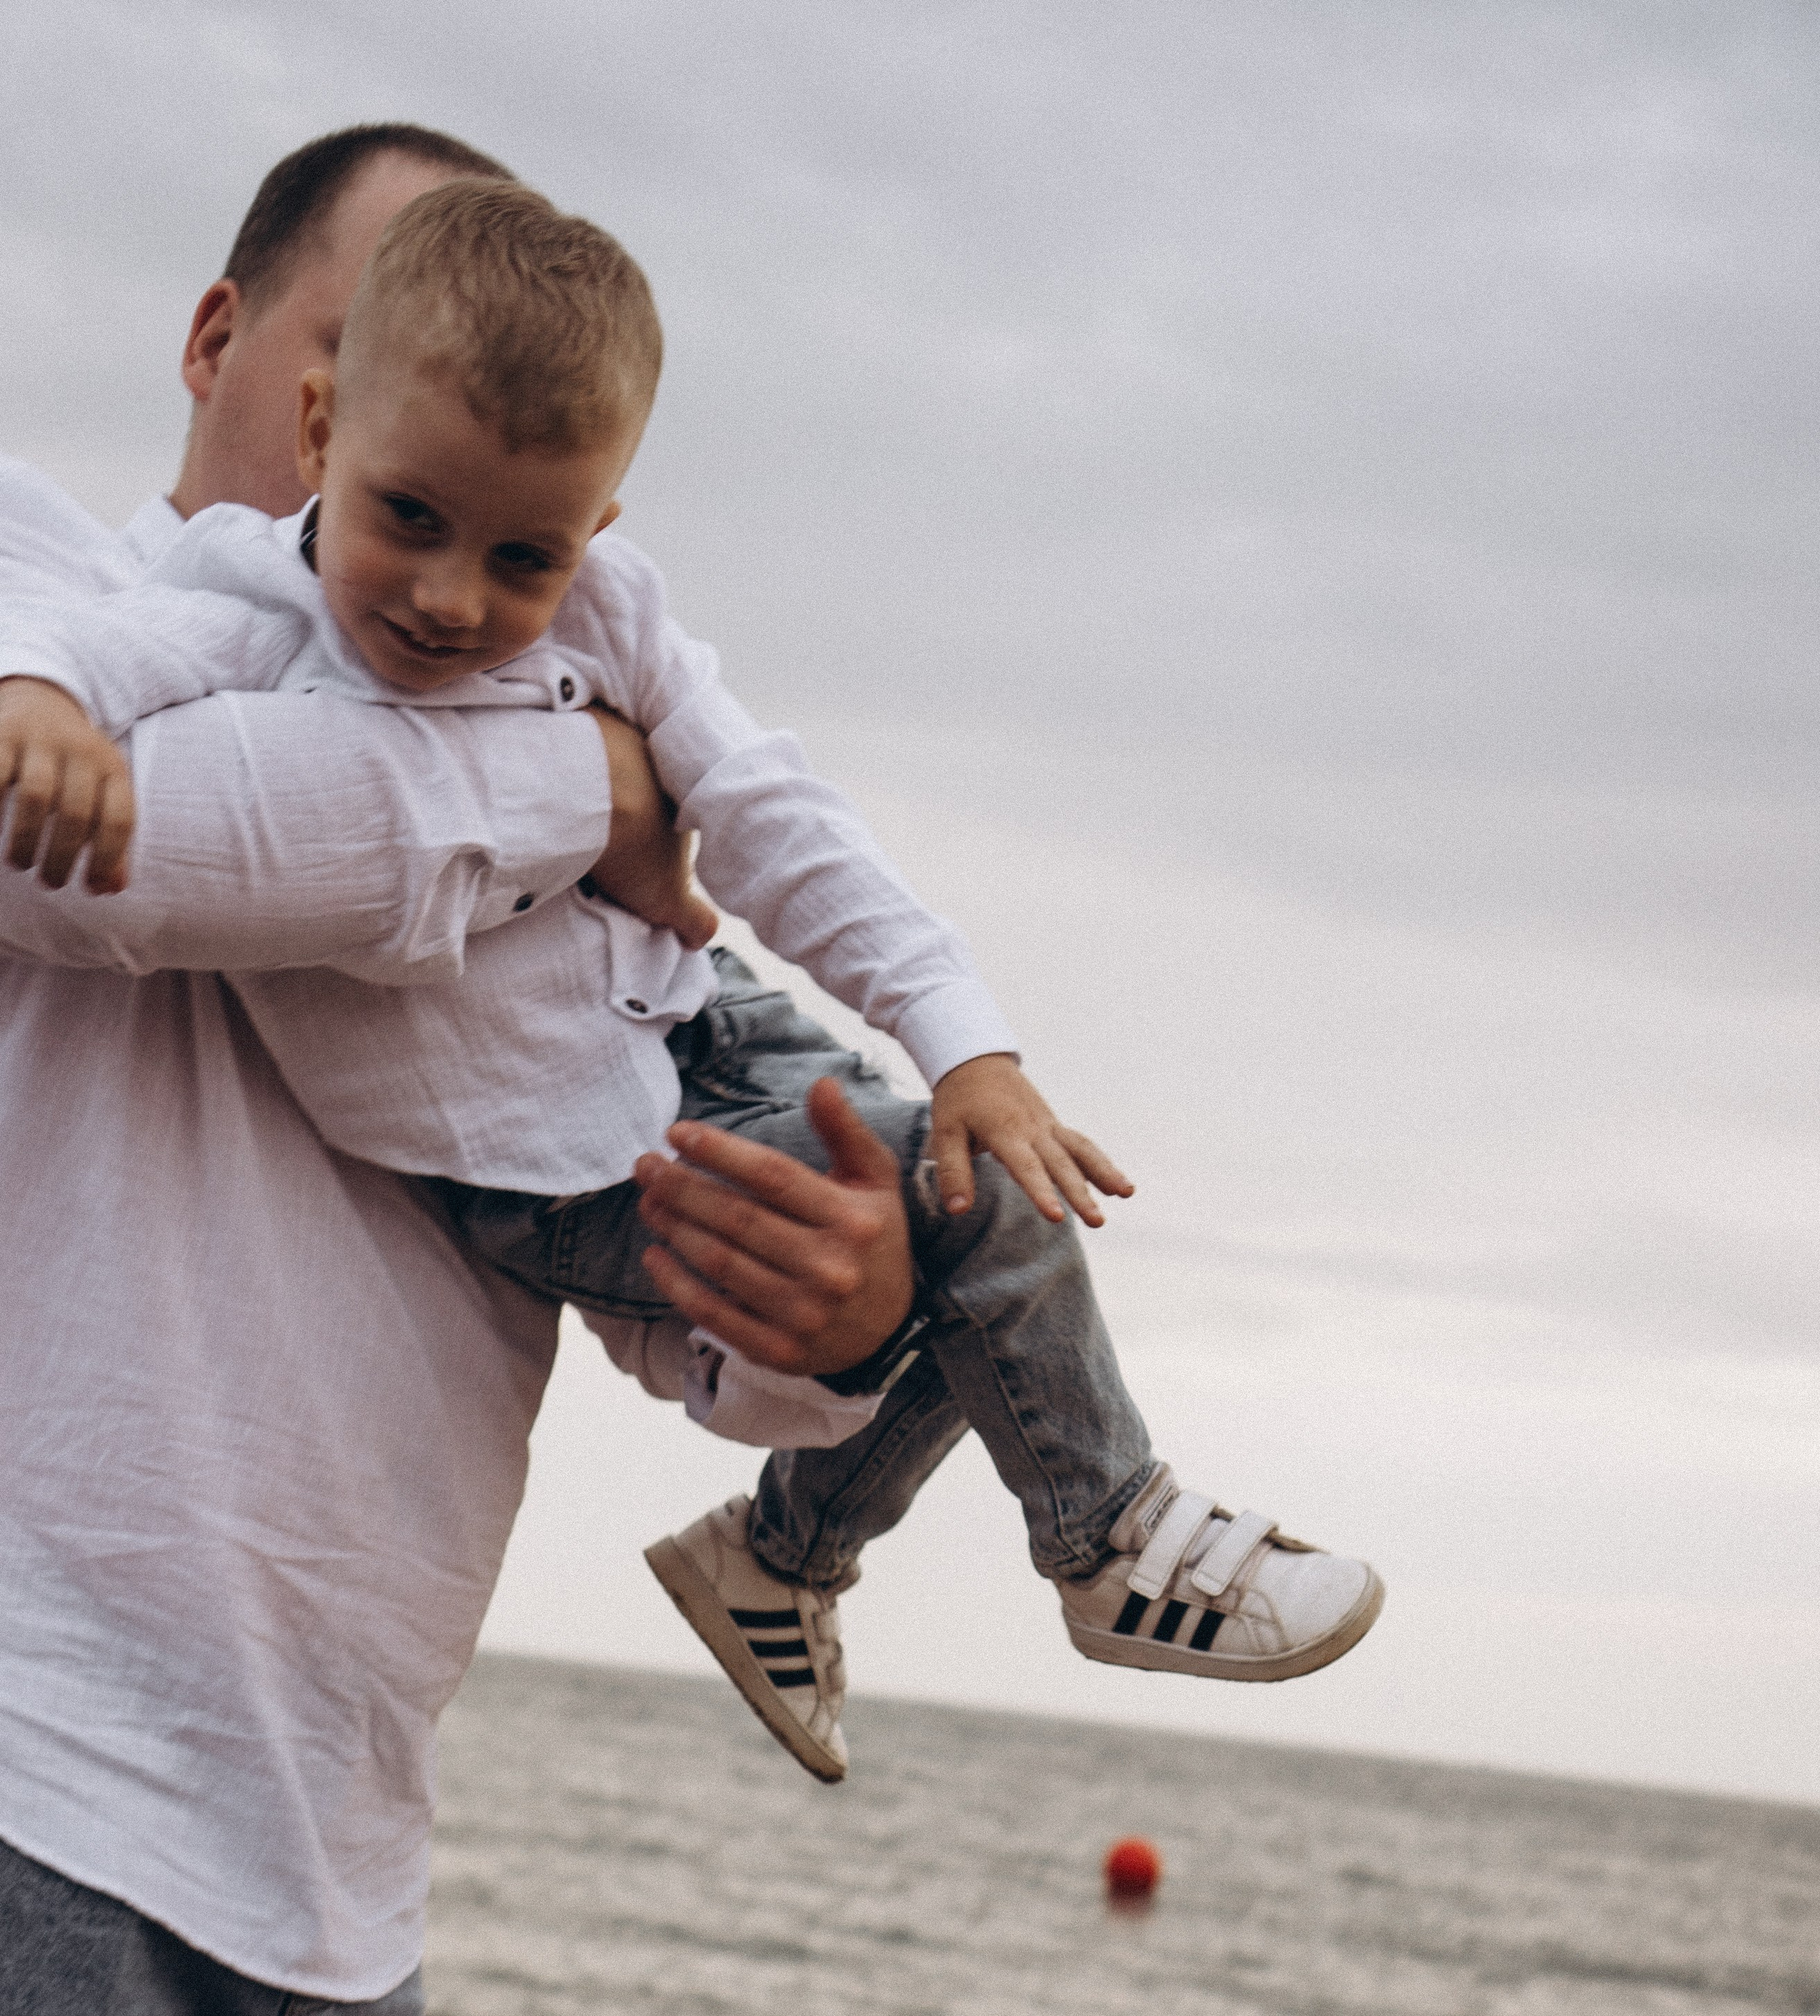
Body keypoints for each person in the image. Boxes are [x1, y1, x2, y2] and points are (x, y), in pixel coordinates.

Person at [0, 126, 921, 2016]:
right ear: (234, 354)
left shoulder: (525, 747)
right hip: (36, 1775)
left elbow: (687, 1314)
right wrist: (614, 802)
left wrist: (838, 1311)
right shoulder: (43, 598)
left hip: (340, 1882)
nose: (427, 538)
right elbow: (133, 853)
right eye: (355, 375)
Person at [0, 178, 1386, 1795]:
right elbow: (117, 670)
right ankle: (1104, 1537)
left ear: (597, 529)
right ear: (316, 426)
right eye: (411, 522)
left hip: (684, 1019)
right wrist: (38, 699)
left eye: (521, 553)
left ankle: (781, 1564)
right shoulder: (245, 596)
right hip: (535, 1147)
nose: (451, 599)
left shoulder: (609, 609)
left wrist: (966, 1043)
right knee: (977, 1233)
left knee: (962, 1168)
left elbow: (779, 816)